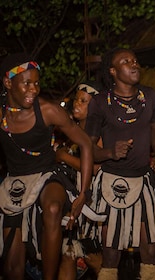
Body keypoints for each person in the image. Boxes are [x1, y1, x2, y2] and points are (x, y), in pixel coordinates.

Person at [0, 53, 93, 280]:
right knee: (13, 269)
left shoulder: (48, 111)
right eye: (27, 83)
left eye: (37, 83)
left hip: (48, 175)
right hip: (16, 182)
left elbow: (86, 143)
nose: (34, 89)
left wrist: (82, 194)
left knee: (52, 208)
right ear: (8, 83)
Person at [84, 47, 155, 280]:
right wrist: (110, 152)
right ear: (112, 71)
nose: (134, 64)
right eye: (125, 61)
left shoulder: (149, 96)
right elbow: (88, 149)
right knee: (111, 254)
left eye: (135, 60)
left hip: (143, 181)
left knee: (150, 250)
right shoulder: (99, 103)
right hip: (112, 182)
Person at [55, 81, 104, 280]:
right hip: (75, 202)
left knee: (94, 257)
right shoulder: (73, 132)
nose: (76, 104)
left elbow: (95, 168)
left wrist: (64, 157)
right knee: (68, 254)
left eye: (83, 101)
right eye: (76, 99)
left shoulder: (99, 134)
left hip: (93, 202)